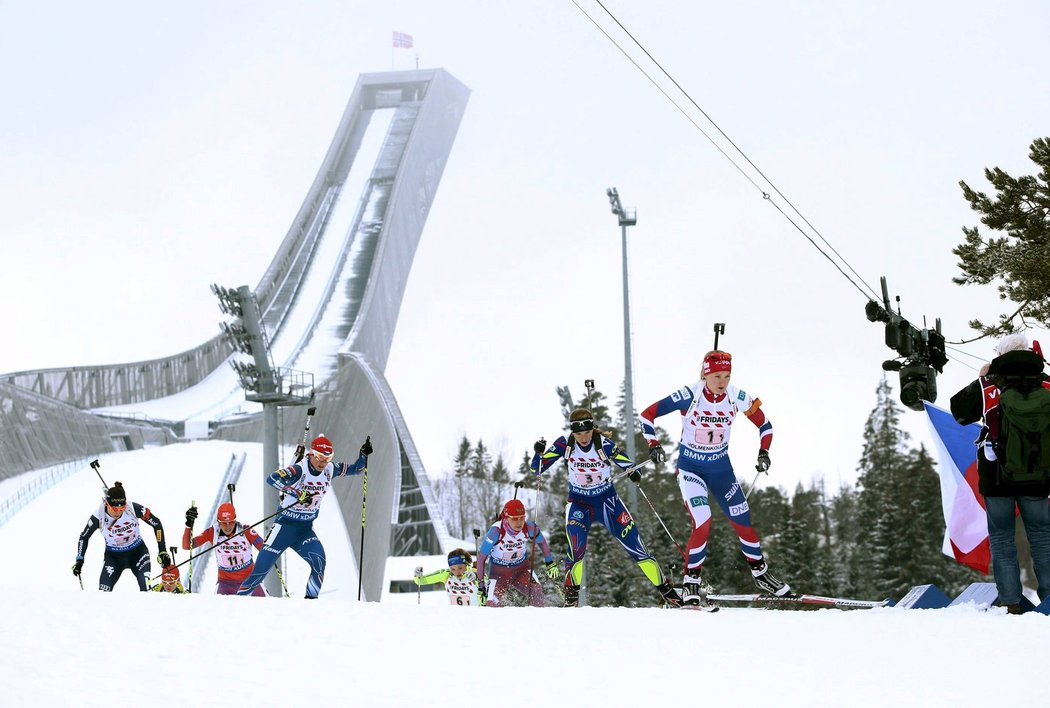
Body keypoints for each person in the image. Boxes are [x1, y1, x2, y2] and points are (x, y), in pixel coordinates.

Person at [639, 350, 791, 607]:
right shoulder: (690, 394)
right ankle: (691, 582)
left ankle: (761, 573)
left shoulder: (737, 396)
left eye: (727, 376)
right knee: (703, 520)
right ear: (706, 375)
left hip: (721, 470)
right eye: (718, 376)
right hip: (691, 471)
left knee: (743, 520)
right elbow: (647, 414)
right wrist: (653, 443)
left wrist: (764, 451)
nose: (723, 381)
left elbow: (765, 426)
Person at [531, 410, 682, 608]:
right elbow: (537, 469)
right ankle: (571, 601)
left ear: (591, 429)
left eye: (586, 432)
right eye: (578, 434)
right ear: (572, 432)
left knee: (637, 548)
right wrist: (538, 452)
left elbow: (628, 465)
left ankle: (669, 595)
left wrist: (634, 473)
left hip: (607, 503)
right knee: (576, 550)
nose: (583, 438)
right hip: (579, 504)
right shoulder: (564, 444)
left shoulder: (603, 444)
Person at [950, 333, 1050, 614]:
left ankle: (1011, 602)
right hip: (1039, 474)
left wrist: (982, 378)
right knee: (1042, 536)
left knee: (1002, 537)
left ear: (1000, 356)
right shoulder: (1047, 384)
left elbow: (959, 411)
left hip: (997, 475)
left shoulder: (990, 385)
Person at [236, 434, 371, 598]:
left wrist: (363, 455)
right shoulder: (300, 469)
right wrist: (297, 492)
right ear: (312, 454)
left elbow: (356, 469)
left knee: (319, 562)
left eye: (327, 458)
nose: (323, 462)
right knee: (259, 573)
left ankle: (309, 604)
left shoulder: (330, 469)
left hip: (305, 530)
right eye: (320, 457)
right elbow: (272, 479)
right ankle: (237, 603)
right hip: (284, 527)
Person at [72, 481, 169, 592]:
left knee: (146, 588)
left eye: (121, 509)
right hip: (114, 557)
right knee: (103, 592)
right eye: (114, 509)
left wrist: (162, 551)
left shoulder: (132, 508)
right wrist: (80, 560)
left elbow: (156, 523)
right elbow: (84, 537)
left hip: (138, 553)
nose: (118, 513)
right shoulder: (99, 516)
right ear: (106, 503)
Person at [476, 499, 558, 607]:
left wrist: (550, 562)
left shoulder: (529, 528)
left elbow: (542, 543)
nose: (519, 522)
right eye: (514, 519)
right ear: (506, 517)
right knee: (491, 604)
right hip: (499, 573)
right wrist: (481, 586)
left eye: (522, 518)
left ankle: (537, 621)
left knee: (536, 592)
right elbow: (481, 559)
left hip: (522, 569)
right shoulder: (495, 532)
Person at [183, 501, 266, 596]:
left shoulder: (246, 530)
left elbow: (265, 549)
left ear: (235, 520)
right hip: (225, 583)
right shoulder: (212, 532)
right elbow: (187, 546)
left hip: (250, 581)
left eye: (231, 522)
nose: (227, 527)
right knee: (219, 609)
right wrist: (188, 525)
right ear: (218, 522)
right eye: (224, 523)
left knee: (266, 606)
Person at [413, 548, 483, 606]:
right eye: (453, 569)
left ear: (466, 564)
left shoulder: (474, 572)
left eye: (460, 568)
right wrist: (417, 576)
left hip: (474, 616)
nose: (457, 572)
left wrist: (477, 577)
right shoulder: (446, 574)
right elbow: (420, 581)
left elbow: (487, 582)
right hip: (454, 616)